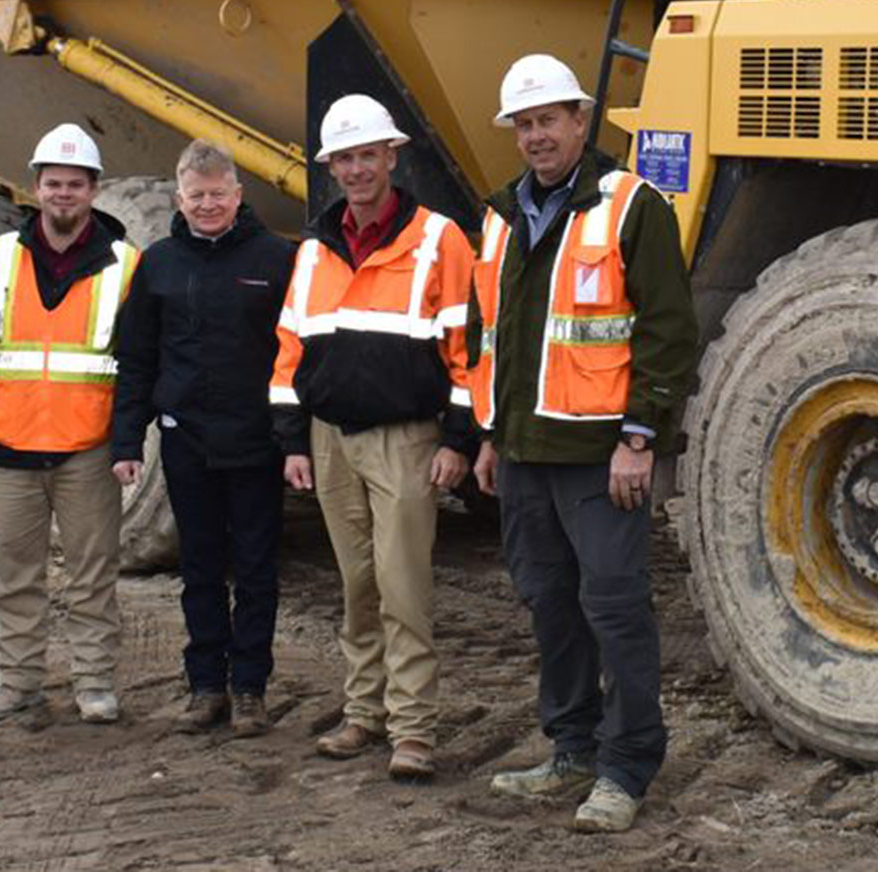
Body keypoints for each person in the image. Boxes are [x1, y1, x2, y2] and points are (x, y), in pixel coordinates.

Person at [469, 54, 699, 832]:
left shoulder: (632, 206)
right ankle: (570, 748)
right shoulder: (500, 215)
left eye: (549, 120)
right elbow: (492, 337)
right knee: (550, 607)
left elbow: (669, 330)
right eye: (524, 124)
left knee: (615, 607)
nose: (537, 136)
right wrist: (492, 436)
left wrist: (641, 439)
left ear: (580, 120)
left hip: (603, 458)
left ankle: (626, 767)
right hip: (526, 453)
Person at [272, 94, 477, 781]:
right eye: (345, 159)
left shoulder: (439, 238)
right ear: (330, 167)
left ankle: (413, 730)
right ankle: (364, 713)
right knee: (357, 583)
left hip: (405, 440)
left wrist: (459, 438)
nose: (357, 170)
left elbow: (466, 348)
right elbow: (290, 346)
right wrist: (293, 440)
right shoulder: (314, 248)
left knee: (403, 585)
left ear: (391, 157)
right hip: (331, 439)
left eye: (368, 155)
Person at [109, 139, 296, 737]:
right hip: (185, 440)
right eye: (197, 195)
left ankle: (250, 690)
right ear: (179, 197)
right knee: (201, 569)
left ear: (238, 196)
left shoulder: (277, 260)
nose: (208, 204)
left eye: (218, 194)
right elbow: (136, 358)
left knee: (257, 569)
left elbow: (297, 355)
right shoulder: (159, 264)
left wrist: (294, 440)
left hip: (255, 441)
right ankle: (205, 687)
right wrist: (125, 441)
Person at [0, 123, 142, 725]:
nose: (62, 193)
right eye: (52, 183)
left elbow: (138, 363)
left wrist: (125, 440)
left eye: (75, 184)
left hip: (86, 448)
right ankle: (17, 682)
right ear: (35, 187)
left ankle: (94, 683)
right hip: (10, 445)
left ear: (93, 190)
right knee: (15, 574)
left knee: (93, 575)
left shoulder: (125, 266)